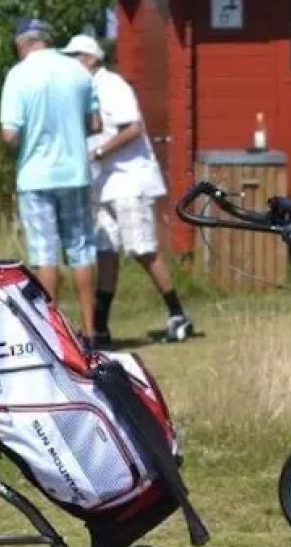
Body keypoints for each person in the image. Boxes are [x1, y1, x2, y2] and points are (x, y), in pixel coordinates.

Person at [61, 34, 194, 346]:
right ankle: (101, 326)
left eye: (75, 57)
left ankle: (177, 314)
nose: (71, 64)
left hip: (129, 179)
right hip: (103, 183)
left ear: (92, 58)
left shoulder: (113, 86)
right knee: (106, 251)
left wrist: (98, 153)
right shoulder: (85, 90)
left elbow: (132, 128)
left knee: (142, 249)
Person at [0, 17, 102, 338]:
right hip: (74, 172)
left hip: (36, 176)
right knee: (81, 250)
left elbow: (9, 135)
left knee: (45, 253)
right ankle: (91, 329)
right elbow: (96, 124)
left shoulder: (18, 76)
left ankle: (51, 333)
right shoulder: (78, 71)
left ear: (22, 42)